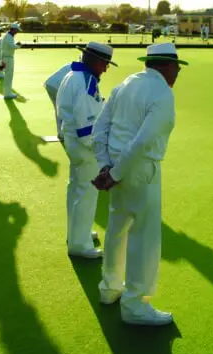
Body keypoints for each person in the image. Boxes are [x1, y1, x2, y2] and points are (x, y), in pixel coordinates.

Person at [91, 43, 188, 326]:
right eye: (177, 67)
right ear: (167, 67)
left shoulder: (125, 84)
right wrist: (117, 172)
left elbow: (100, 128)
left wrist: (105, 166)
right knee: (144, 237)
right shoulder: (162, 93)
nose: (178, 73)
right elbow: (143, 142)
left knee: (117, 229)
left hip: (116, 168)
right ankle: (135, 305)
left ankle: (110, 288)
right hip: (139, 171)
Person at [56, 42, 118, 259]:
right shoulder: (86, 81)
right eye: (105, 63)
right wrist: (101, 151)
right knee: (86, 195)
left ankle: (76, 235)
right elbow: (86, 126)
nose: (106, 68)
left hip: (72, 140)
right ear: (95, 60)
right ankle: (80, 245)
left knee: (76, 189)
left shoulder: (72, 74)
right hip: (84, 145)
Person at [1, 23, 22, 100]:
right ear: (13, 29)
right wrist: (19, 46)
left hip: (8, 58)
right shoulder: (8, 36)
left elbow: (11, 45)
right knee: (8, 76)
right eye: (16, 30)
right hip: (8, 58)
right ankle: (7, 93)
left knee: (9, 76)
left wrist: (16, 45)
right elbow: (12, 46)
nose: (17, 32)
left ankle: (8, 92)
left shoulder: (9, 36)